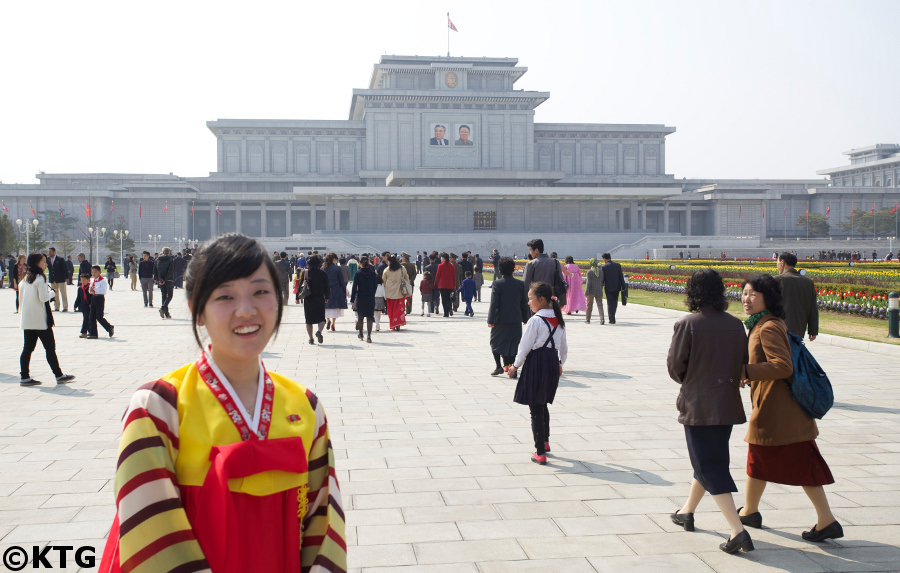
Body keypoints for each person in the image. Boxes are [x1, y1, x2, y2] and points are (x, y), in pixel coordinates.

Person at [97, 233, 346, 572]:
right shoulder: (158, 407)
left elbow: (324, 522)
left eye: (261, 291)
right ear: (197, 312)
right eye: (225, 296)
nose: (246, 310)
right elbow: (149, 529)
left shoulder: (305, 406)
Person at [737, 274, 842, 542]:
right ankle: (750, 510)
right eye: (745, 293)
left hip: (778, 410)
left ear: (767, 299)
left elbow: (783, 366)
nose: (746, 299)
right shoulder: (761, 323)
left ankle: (825, 519)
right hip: (779, 410)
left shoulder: (768, 327)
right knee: (768, 461)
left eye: (753, 294)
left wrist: (746, 370)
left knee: (785, 462)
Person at [667, 269, 753, 554]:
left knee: (709, 465)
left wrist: (691, 381)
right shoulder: (735, 325)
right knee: (708, 459)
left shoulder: (687, 324)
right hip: (725, 402)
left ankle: (737, 530)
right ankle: (687, 511)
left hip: (699, 404)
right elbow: (742, 360)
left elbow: (675, 367)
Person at [508, 282, 567, 465]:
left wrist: (515, 366)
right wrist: (560, 363)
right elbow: (564, 348)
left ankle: (539, 451)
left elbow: (524, 346)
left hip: (536, 363)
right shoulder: (558, 320)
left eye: (530, 299)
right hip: (551, 362)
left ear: (541, 300)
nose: (528, 303)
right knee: (543, 403)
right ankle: (546, 442)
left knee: (535, 406)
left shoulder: (535, 321)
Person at [18, 253, 76, 386]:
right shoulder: (40, 278)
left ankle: (24, 376)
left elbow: (21, 299)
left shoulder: (25, 278)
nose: (45, 264)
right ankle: (59, 375)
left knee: (27, 349)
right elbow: (43, 298)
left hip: (28, 320)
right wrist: (53, 293)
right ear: (36, 263)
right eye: (43, 262)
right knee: (50, 348)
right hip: (41, 321)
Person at [487, 257, 530, 376]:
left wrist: (490, 320)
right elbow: (524, 303)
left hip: (500, 320)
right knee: (514, 344)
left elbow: (494, 304)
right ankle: (512, 368)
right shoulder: (520, 284)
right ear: (513, 269)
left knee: (495, 342)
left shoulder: (497, 283)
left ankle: (498, 366)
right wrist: (525, 318)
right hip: (515, 319)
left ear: (500, 270)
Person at [774, 252, 818, 341]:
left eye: (778, 263)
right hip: (799, 329)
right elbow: (813, 308)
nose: (777, 265)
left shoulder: (777, 280)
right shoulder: (808, 282)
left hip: (778, 329)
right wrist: (813, 330)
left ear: (782, 263)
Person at [303, 254, 330, 345]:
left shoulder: (306, 272)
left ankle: (311, 338)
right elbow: (327, 287)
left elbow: (301, 286)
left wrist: (297, 298)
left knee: (309, 320)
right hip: (319, 298)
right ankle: (319, 331)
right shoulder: (323, 273)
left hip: (308, 299)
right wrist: (327, 297)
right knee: (321, 318)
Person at [350, 255, 378, 343]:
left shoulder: (358, 273)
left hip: (360, 297)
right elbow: (375, 285)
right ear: (369, 263)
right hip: (370, 297)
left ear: (360, 263)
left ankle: (361, 333)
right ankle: (369, 335)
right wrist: (372, 293)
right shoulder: (373, 273)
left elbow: (354, 287)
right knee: (370, 317)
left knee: (360, 317)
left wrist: (352, 298)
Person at [381, 254, 409, 331]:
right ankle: (398, 323)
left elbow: (383, 281)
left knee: (391, 309)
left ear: (389, 261)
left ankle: (393, 323)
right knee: (399, 309)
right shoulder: (402, 268)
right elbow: (407, 278)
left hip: (390, 293)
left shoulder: (387, 270)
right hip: (400, 292)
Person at [87, 265, 115, 339]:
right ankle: (93, 334)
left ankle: (109, 327)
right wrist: (90, 290)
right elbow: (90, 290)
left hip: (99, 298)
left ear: (100, 272)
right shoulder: (92, 280)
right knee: (91, 316)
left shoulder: (102, 281)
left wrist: (95, 289)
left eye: (95, 272)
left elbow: (103, 291)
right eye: (92, 272)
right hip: (93, 298)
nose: (93, 274)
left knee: (99, 316)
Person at [323, 253, 348, 332]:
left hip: (325, 290)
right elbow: (341, 281)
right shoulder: (337, 268)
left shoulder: (323, 268)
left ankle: (328, 320)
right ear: (334, 259)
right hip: (336, 290)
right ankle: (333, 323)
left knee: (326, 307)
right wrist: (344, 291)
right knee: (334, 307)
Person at [601, 253, 626, 324]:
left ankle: (611, 318)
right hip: (616, 287)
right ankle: (613, 316)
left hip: (608, 287)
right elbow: (621, 277)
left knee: (610, 303)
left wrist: (601, 286)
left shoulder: (604, 267)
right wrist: (623, 286)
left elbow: (603, 279)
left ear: (605, 259)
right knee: (615, 303)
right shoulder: (617, 265)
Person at [155, 247, 175, 319]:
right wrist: (166, 280)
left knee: (164, 296)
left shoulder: (158, 260)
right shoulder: (170, 260)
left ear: (162, 252)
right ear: (169, 252)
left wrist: (160, 279)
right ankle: (163, 308)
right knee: (170, 295)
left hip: (161, 280)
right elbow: (170, 271)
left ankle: (166, 313)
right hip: (168, 280)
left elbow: (156, 271)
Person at [434, 252, 456, 318]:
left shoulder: (440, 266)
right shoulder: (452, 265)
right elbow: (453, 276)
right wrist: (454, 285)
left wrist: (435, 284)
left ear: (443, 258)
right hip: (450, 285)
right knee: (449, 299)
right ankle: (450, 308)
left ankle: (446, 313)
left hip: (442, 285)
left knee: (444, 299)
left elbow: (437, 276)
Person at [584, 258, 605, 324]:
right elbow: (602, 282)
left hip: (591, 291)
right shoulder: (601, 272)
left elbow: (588, 283)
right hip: (599, 291)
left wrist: (586, 292)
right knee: (600, 305)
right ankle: (602, 319)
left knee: (589, 305)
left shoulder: (590, 272)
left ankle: (588, 319)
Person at [47, 247, 69, 311]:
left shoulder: (60, 259)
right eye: (49, 252)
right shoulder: (48, 260)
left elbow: (65, 269)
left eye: (50, 252)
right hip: (53, 279)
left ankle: (65, 307)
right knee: (55, 294)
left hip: (61, 279)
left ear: (54, 252)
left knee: (63, 293)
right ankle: (56, 307)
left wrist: (66, 277)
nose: (49, 253)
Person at [74, 273, 93, 338]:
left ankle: (84, 332)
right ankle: (90, 331)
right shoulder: (80, 289)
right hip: (83, 307)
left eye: (84, 280)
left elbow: (92, 297)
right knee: (86, 319)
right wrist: (75, 305)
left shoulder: (90, 287)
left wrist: (91, 304)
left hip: (89, 306)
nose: (83, 281)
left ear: (88, 280)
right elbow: (78, 298)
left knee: (86, 319)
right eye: (81, 280)